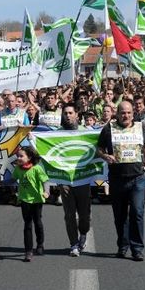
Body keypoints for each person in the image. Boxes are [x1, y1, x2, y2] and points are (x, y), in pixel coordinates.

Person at [97, 101, 145, 262]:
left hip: (137, 178)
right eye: (122, 113)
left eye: (128, 112)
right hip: (117, 178)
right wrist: (106, 156)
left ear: (133, 113)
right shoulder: (108, 129)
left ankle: (137, 249)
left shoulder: (141, 127)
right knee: (120, 215)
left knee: (137, 213)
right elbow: (99, 149)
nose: (125, 115)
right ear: (117, 113)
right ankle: (122, 245)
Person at [58, 103, 92, 257]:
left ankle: (83, 233)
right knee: (69, 214)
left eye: (71, 113)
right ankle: (73, 243)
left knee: (84, 214)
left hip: (82, 179)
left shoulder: (86, 132)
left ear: (77, 114)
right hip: (65, 180)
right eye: (65, 113)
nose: (68, 115)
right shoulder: (56, 134)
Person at [12, 146, 49, 262]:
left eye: (21, 156)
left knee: (37, 222)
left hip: (37, 200)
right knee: (27, 224)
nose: (19, 158)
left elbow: (45, 181)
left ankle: (40, 245)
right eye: (18, 156)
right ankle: (28, 251)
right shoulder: (18, 169)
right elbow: (13, 179)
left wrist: (46, 191)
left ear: (30, 157)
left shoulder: (37, 168)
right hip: (24, 200)